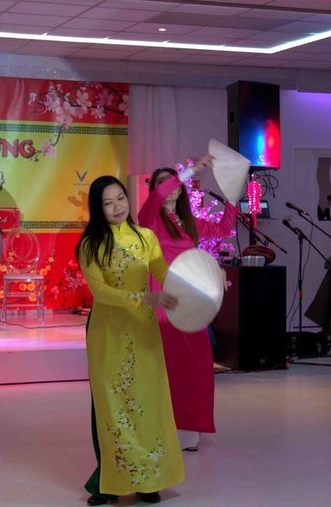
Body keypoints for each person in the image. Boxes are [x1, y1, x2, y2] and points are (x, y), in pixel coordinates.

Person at [76, 175, 184, 505]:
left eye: (120, 198)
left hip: (143, 331)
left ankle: (149, 481)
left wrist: (198, 277)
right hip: (108, 333)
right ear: (97, 208)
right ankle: (109, 484)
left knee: (148, 404)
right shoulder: (91, 244)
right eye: (107, 203)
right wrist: (143, 298)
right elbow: (100, 291)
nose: (116, 207)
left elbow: (164, 272)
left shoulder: (145, 236)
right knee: (112, 407)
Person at [137, 156, 237, 452]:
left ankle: (190, 426)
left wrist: (232, 197)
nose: (167, 188)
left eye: (173, 184)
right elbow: (156, 196)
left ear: (181, 191)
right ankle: (162, 426)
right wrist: (190, 171)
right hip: (161, 297)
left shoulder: (189, 223)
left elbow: (222, 229)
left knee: (197, 363)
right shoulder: (149, 218)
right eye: (161, 183)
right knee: (167, 364)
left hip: (189, 300)